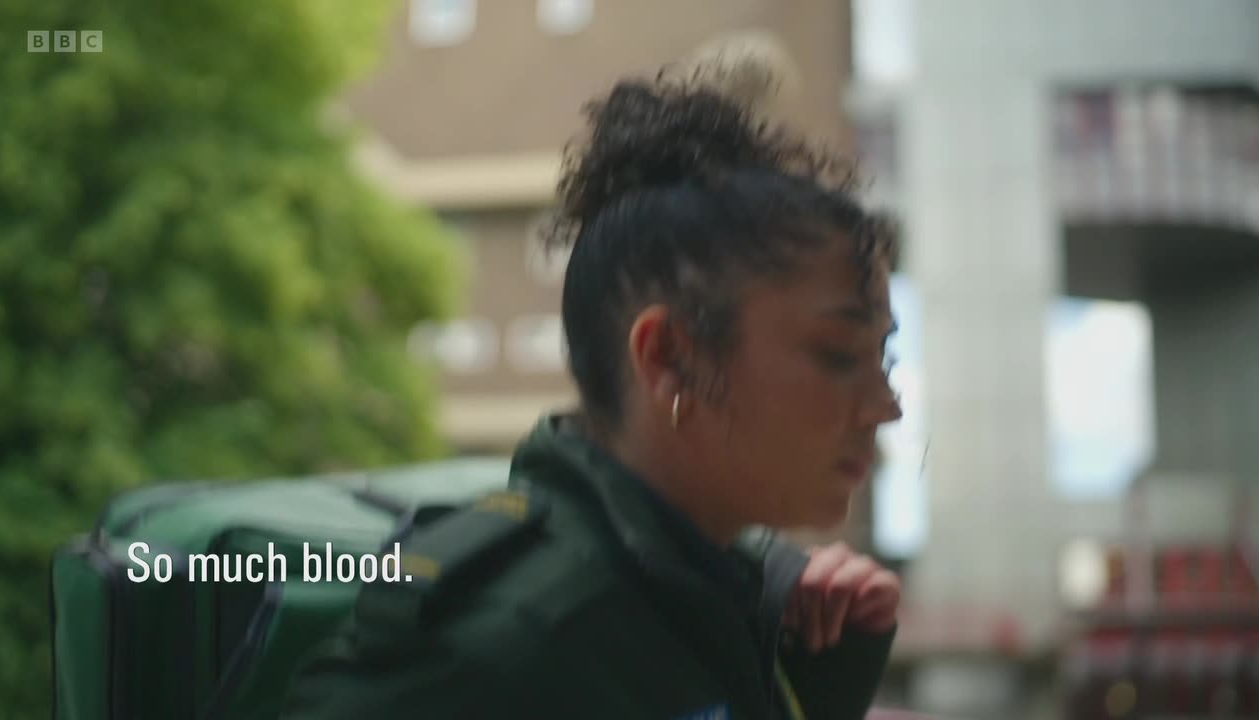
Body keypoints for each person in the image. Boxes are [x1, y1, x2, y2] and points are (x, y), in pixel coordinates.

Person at [279, 54, 905, 720]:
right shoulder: (513, 638)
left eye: (885, 357)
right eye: (838, 354)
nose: (886, 407)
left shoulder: (734, 594)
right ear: (669, 359)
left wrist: (818, 682)